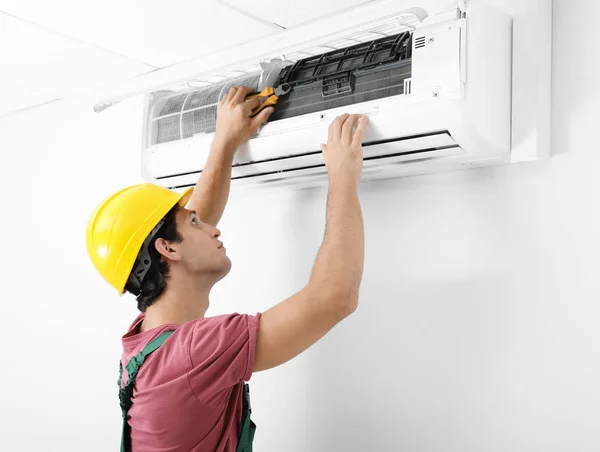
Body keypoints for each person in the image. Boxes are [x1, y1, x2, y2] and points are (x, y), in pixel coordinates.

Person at [86, 86, 368, 452]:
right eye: (195, 224)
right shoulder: (194, 353)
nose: (213, 228)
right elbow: (335, 296)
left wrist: (226, 141)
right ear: (167, 249)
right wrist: (344, 177)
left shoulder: (145, 343)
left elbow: (184, 235)